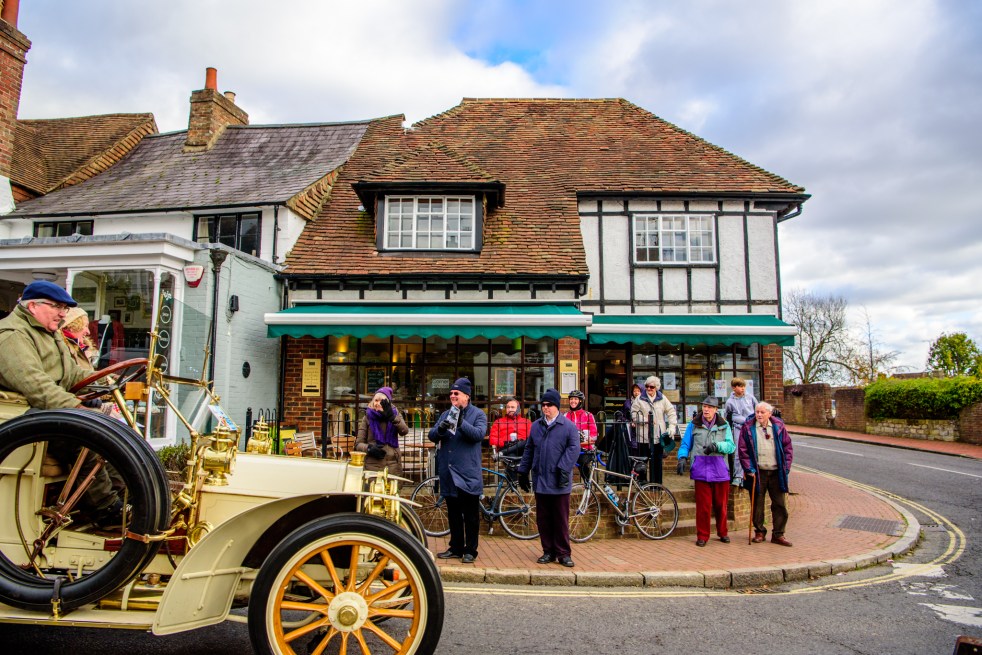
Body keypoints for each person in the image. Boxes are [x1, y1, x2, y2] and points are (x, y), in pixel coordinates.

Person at [0, 281, 124, 527]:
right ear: (32, 305)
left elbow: (70, 375)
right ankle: (106, 511)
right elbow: (37, 386)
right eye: (56, 306)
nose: (62, 313)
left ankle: (127, 501)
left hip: (42, 411)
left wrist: (107, 380)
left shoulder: (48, 332)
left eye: (64, 308)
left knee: (115, 434)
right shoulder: (12, 335)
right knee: (86, 438)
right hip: (21, 417)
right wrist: (78, 410)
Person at [517, 388, 580, 567]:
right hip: (541, 479)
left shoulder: (567, 426)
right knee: (543, 519)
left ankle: (563, 553)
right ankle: (548, 551)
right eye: (543, 405)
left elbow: (574, 448)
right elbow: (529, 448)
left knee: (560, 519)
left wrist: (563, 468)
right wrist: (523, 470)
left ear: (557, 406)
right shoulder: (536, 425)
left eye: (549, 405)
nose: (546, 408)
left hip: (559, 480)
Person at [427, 377, 487, 564]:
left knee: (470, 516)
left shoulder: (478, 414)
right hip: (449, 472)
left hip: (467, 473)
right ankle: (455, 548)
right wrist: (441, 430)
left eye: (456, 393)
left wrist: (461, 423)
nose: (452, 396)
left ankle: (470, 550)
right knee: (453, 513)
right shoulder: (446, 414)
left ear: (466, 396)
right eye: (451, 393)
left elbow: (478, 435)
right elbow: (432, 435)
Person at [676, 395, 735, 547]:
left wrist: (717, 446)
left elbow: (731, 446)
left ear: (716, 410)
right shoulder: (693, 425)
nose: (706, 409)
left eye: (709, 407)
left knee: (721, 505)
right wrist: (682, 457)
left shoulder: (724, 425)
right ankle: (702, 535)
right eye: (704, 406)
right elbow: (685, 444)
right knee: (703, 506)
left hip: (720, 468)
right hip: (701, 468)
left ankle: (723, 532)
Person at [738, 401, 794, 547]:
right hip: (758, 472)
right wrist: (749, 468)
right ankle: (760, 531)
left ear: (769, 413)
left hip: (777, 472)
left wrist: (786, 467)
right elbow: (742, 450)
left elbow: (788, 447)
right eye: (757, 412)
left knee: (780, 504)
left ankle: (778, 534)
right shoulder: (748, 427)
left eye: (762, 412)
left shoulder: (779, 426)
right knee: (757, 503)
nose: (759, 415)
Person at [630, 375, 678, 480]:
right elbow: (634, 414)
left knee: (657, 461)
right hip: (643, 437)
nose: (648, 389)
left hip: (657, 436)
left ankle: (656, 485)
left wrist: (672, 427)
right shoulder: (639, 398)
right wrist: (646, 420)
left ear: (656, 387)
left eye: (651, 387)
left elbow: (671, 412)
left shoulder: (662, 398)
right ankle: (642, 484)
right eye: (647, 386)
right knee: (642, 462)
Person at [355, 386, 409, 476]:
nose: (377, 403)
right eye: (376, 400)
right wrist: (369, 448)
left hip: (393, 465)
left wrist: (392, 418)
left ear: (387, 402)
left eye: (381, 401)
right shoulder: (368, 417)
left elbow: (404, 431)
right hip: (373, 466)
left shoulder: (395, 414)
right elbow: (358, 444)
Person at [723, 377, 757, 488]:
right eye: (740, 386)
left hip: (751, 428)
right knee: (738, 452)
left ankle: (752, 471)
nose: (743, 389)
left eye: (744, 386)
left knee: (752, 449)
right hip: (738, 429)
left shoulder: (750, 398)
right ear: (734, 388)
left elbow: (757, 409)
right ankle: (738, 476)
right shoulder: (730, 402)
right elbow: (727, 415)